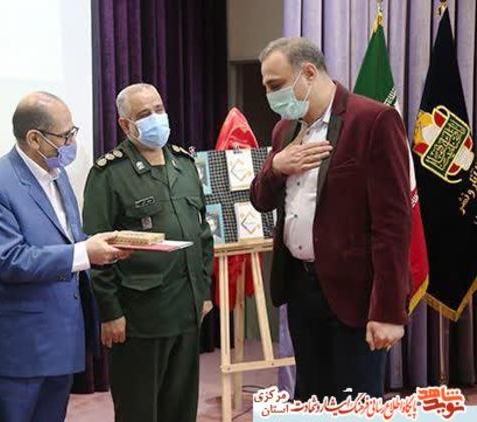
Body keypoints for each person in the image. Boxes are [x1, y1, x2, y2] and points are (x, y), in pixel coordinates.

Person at [251, 37, 411, 400]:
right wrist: (276, 168)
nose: (271, 96)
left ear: (308, 72)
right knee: (311, 399)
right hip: (300, 288)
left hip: (355, 293)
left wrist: (388, 310)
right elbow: (260, 200)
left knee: (355, 404)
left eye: (276, 85)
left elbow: (393, 225)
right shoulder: (284, 130)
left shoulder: (372, 121)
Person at [0, 91, 129, 422]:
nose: (73, 143)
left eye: (74, 132)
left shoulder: (58, 175)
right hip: (18, 348)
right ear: (34, 139)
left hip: (61, 339)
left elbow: (68, 239)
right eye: (66, 136)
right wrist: (85, 252)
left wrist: (101, 245)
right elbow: (10, 260)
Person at [83, 83, 214, 422]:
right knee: (138, 411)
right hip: (140, 315)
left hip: (186, 309)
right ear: (125, 125)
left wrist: (204, 292)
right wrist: (110, 312)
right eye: (144, 114)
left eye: (159, 109)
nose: (156, 118)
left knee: (181, 409)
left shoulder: (184, 163)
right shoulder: (108, 174)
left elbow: (202, 235)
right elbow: (98, 250)